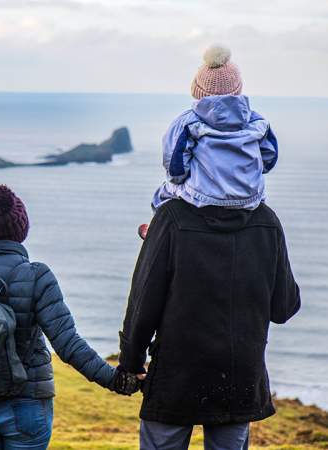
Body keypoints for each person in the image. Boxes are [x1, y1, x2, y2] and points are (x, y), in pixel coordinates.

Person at [120, 46, 301, 450]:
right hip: (239, 381)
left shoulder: (171, 218)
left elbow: (143, 301)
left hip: (175, 379)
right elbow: (284, 307)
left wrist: (130, 365)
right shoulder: (266, 222)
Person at [0, 184, 139, 450]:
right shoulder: (37, 275)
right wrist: (117, 380)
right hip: (28, 406)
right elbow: (68, 344)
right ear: (22, 229)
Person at [138, 45, 278, 240]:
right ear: (238, 89)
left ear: (198, 90)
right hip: (249, 197)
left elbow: (175, 166)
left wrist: (181, 180)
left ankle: (154, 232)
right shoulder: (257, 122)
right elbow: (269, 158)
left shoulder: (189, 122)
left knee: (162, 194)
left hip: (204, 196)